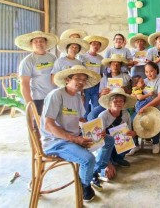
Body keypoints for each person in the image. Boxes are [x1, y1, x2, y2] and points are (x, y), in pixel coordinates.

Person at [39, 65, 113, 202]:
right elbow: (48, 125)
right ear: (67, 79)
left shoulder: (78, 97)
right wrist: (74, 139)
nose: (81, 82)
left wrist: (94, 130)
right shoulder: (56, 95)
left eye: (84, 80)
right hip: (56, 142)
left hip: (73, 137)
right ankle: (84, 186)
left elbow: (80, 119)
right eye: (77, 78)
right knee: (88, 159)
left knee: (108, 140)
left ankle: (93, 172)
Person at [16, 31, 58, 115]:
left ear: (46, 43)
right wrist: (30, 104)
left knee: (54, 124)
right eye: (36, 41)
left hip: (54, 96)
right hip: (38, 99)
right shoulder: (28, 61)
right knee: (38, 125)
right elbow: (24, 84)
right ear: (31, 43)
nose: (39, 43)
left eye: (42, 41)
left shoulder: (52, 57)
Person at [130, 62, 160, 155]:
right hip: (142, 109)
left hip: (157, 108)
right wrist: (133, 95)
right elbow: (136, 93)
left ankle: (155, 143)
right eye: (146, 72)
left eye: (151, 71)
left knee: (153, 119)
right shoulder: (143, 81)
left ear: (156, 70)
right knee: (131, 120)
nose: (149, 74)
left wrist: (146, 107)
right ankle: (135, 145)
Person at [98, 88, 137, 170]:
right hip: (107, 144)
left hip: (120, 142)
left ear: (124, 103)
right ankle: (108, 160)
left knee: (130, 141)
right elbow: (99, 139)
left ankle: (118, 158)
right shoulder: (103, 116)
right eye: (115, 101)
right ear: (110, 103)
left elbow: (129, 130)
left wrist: (133, 134)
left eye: (121, 101)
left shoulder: (126, 114)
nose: (118, 103)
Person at [87, 54, 131, 120]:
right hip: (107, 104)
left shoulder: (127, 77)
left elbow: (131, 93)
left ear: (121, 66)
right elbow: (100, 96)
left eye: (118, 64)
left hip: (121, 105)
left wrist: (126, 90)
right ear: (110, 66)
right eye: (113, 64)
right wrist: (102, 93)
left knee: (126, 117)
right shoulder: (104, 79)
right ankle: (100, 130)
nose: (115, 66)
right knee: (91, 116)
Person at [79, 35, 109, 119]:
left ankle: (94, 126)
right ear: (89, 45)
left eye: (98, 44)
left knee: (95, 107)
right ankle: (84, 126)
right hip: (85, 85)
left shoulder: (101, 58)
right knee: (84, 107)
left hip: (96, 85)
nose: (96, 46)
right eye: (94, 44)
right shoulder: (82, 57)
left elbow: (102, 73)